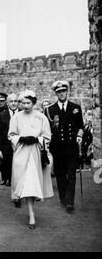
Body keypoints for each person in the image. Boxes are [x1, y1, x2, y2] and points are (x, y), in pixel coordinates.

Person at [8, 90, 53, 229]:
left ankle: (31, 214)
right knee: (23, 182)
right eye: (23, 103)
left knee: (31, 183)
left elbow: (47, 136)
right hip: (21, 152)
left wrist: (36, 139)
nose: (26, 106)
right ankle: (31, 212)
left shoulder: (41, 117)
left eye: (29, 103)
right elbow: (11, 135)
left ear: (34, 103)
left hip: (35, 153)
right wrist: (20, 138)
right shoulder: (16, 117)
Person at [45, 80, 84, 213]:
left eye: (63, 91)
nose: (62, 94)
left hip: (72, 146)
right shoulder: (50, 109)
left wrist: (79, 136)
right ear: (56, 93)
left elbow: (81, 126)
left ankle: (70, 202)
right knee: (61, 175)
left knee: (71, 175)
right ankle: (63, 198)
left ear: (67, 92)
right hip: (58, 148)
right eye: (59, 92)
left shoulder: (75, 108)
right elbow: (47, 129)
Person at [0, 93, 19, 186]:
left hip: (20, 145)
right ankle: (9, 179)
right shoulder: (1, 116)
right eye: (11, 101)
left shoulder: (23, 113)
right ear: (7, 103)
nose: (13, 103)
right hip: (6, 146)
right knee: (8, 164)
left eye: (15, 101)